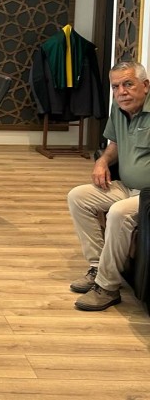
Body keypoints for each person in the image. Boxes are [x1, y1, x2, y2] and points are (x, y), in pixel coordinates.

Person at [67, 60, 150, 311]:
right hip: (127, 187)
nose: (121, 92)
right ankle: (97, 267)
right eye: (116, 87)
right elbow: (114, 144)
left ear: (145, 85)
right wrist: (102, 161)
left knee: (118, 212)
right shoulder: (119, 108)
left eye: (128, 84)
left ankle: (107, 287)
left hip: (147, 195)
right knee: (78, 196)